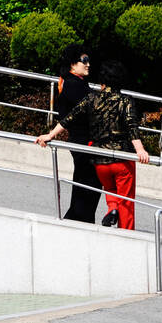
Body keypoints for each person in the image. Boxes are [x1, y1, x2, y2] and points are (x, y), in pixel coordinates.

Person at [36, 59, 150, 229]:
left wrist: (50, 135)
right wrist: (140, 150)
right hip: (121, 160)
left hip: (100, 162)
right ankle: (127, 236)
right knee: (126, 202)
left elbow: (69, 117)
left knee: (110, 188)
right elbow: (131, 126)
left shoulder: (91, 98)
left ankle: (111, 208)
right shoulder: (126, 101)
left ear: (102, 80)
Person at [53, 44, 101, 224]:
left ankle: (77, 220)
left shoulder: (74, 82)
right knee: (88, 185)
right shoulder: (74, 85)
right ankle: (79, 221)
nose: (88, 64)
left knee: (86, 184)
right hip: (83, 142)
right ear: (73, 64)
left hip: (81, 141)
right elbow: (80, 113)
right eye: (84, 61)